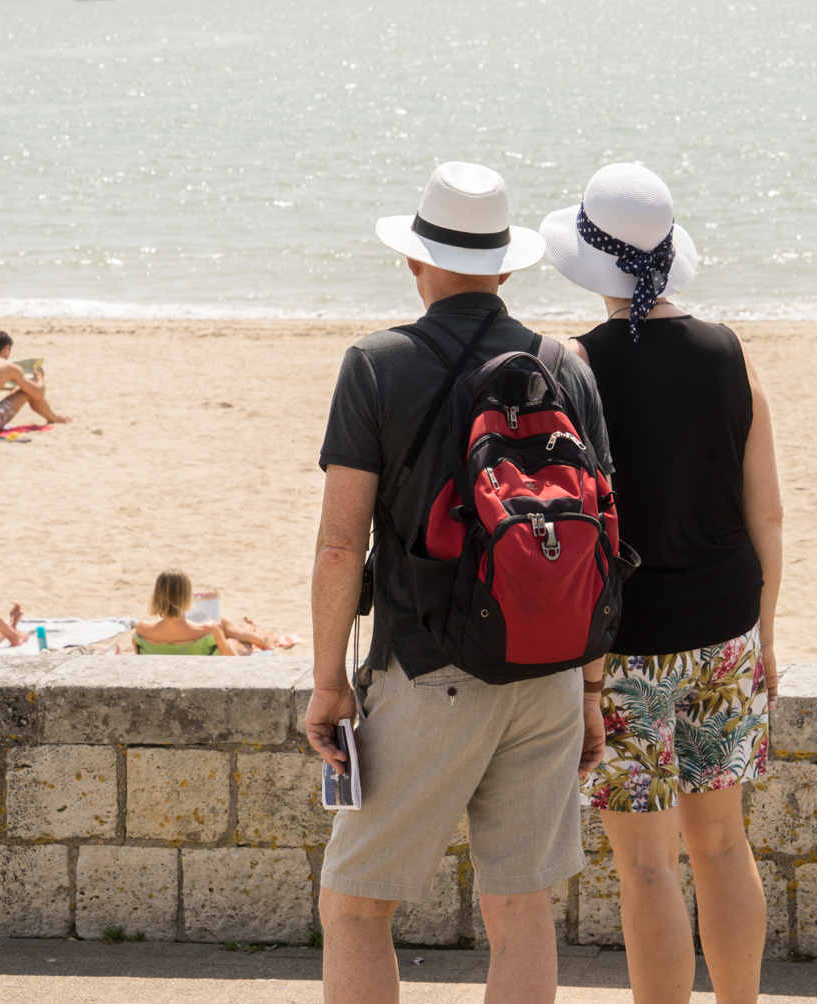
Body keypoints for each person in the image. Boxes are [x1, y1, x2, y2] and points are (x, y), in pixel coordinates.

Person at [307, 162, 614, 1004]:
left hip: (428, 667)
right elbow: (602, 542)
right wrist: (590, 690)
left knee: (355, 905)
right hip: (548, 675)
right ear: (506, 269)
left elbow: (340, 545)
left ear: (415, 258)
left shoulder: (376, 364)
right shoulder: (567, 366)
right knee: (521, 907)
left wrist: (329, 684)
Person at [539, 163, 780, 1004]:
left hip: (625, 652)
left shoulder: (575, 365)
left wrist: (579, 675)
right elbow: (768, 512)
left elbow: (575, 539)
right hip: (726, 631)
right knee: (724, 846)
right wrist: (768, 636)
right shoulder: (731, 352)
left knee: (646, 867)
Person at [134, 569, 275, 656]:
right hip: (203, 669)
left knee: (220, 623)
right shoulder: (209, 629)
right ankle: (254, 635)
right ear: (187, 597)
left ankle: (248, 632)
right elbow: (232, 662)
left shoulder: (142, 629)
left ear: (157, 597)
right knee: (232, 641)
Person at [0, 331, 71, 431]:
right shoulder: (7, 366)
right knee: (27, 391)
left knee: (16, 391)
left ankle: (53, 417)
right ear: (6, 348)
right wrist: (40, 377)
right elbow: (38, 394)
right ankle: (54, 418)